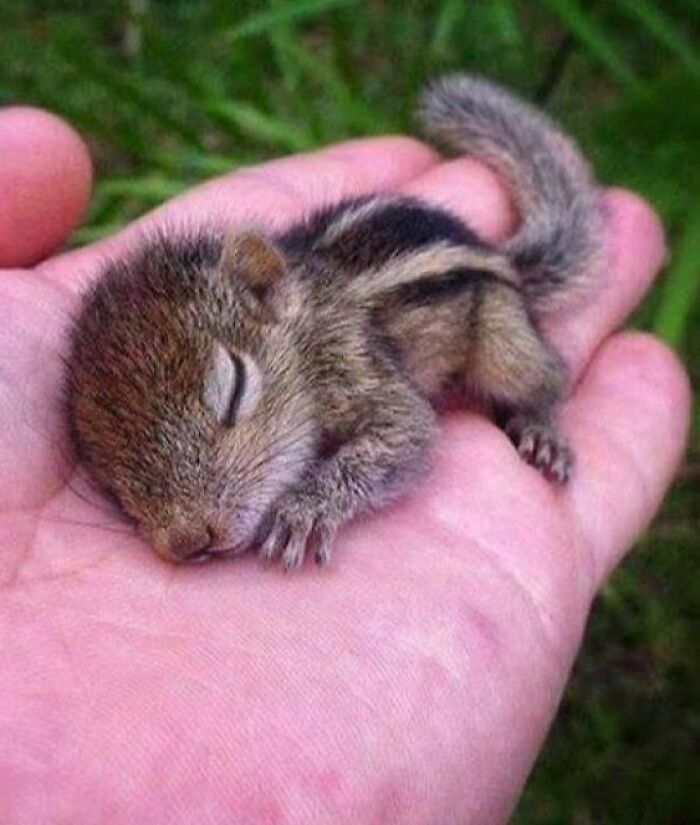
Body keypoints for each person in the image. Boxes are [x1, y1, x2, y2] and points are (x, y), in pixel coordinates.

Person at [0, 106, 689, 823]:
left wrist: (326, 495)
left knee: (513, 364)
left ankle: (536, 407)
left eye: (232, 396)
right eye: (123, 489)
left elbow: (408, 432)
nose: (179, 532)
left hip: (469, 303)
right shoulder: (191, 439)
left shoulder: (327, 346)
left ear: (267, 290)